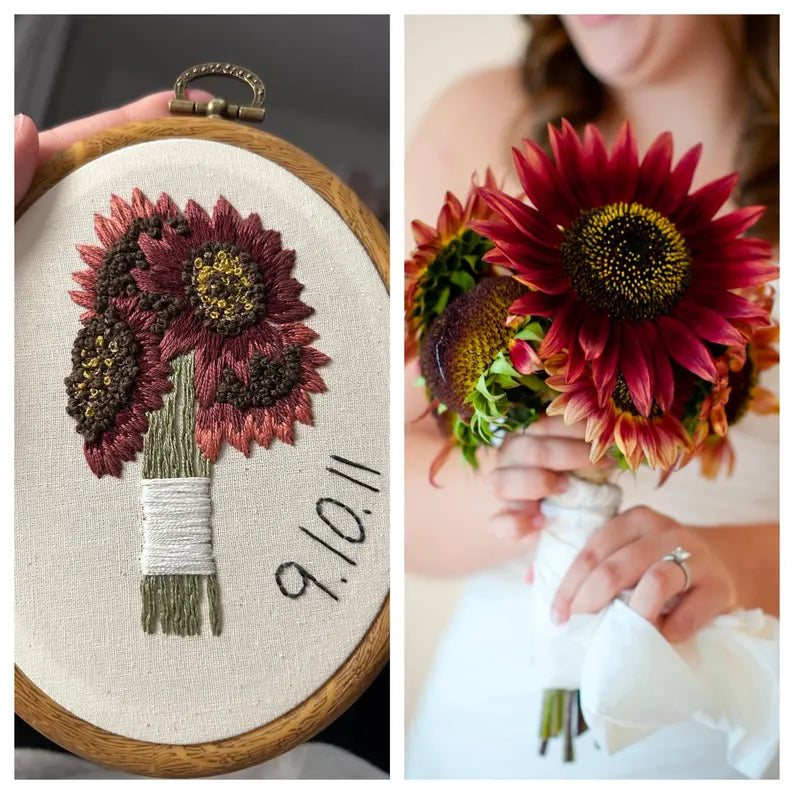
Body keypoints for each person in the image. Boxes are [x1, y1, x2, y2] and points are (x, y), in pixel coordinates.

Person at [405, 15, 779, 778]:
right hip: (479, 736)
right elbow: (381, 490)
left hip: (725, 734)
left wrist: (733, 564)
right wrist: (518, 479)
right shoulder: (482, 122)